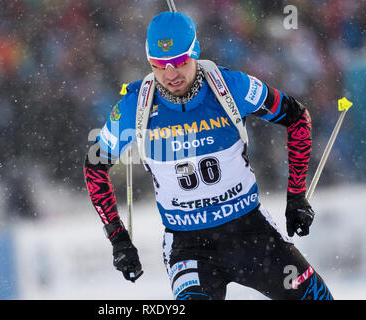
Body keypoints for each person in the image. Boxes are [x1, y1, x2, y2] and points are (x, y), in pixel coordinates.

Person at [83, 11, 333, 300]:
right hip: (189, 247)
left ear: (195, 52)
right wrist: (118, 239)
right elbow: (94, 166)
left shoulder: (230, 87)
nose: (170, 74)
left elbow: (297, 117)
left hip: (251, 233)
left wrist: (297, 195)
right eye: (159, 65)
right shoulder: (133, 106)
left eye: (180, 62)